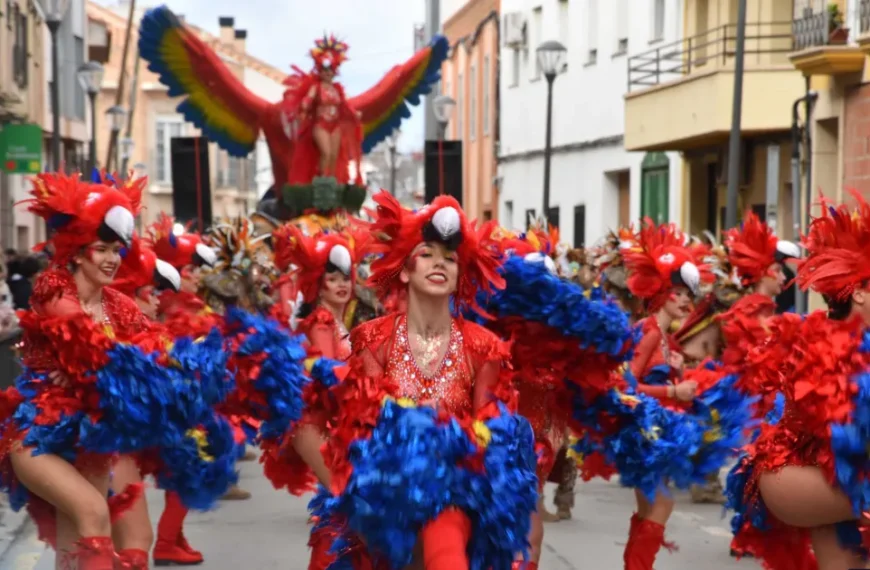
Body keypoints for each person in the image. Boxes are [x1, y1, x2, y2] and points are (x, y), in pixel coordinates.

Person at [314, 192, 537, 570]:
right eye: (427, 254)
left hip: (455, 497)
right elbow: (361, 423)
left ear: (458, 278)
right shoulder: (372, 339)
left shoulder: (485, 347)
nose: (440, 263)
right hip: (386, 498)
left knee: (444, 536)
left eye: (449, 259)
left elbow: (492, 430)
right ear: (405, 271)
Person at [727, 194, 870, 568]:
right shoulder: (827, 343)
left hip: (834, 476)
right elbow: (840, 428)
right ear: (859, 291)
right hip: (794, 474)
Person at [620, 220, 704, 570]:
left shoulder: (665, 336)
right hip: (644, 435)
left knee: (649, 508)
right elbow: (627, 385)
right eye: (679, 293)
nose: (686, 301)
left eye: (690, 294)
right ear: (660, 291)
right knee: (662, 505)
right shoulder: (650, 330)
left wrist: (680, 374)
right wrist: (674, 389)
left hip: (657, 435)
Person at [107, 235, 182, 569]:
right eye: (150, 294)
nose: (157, 304)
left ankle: (171, 539)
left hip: (120, 443)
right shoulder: (80, 313)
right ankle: (170, 541)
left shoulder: (140, 329)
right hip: (87, 441)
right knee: (91, 533)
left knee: (130, 544)